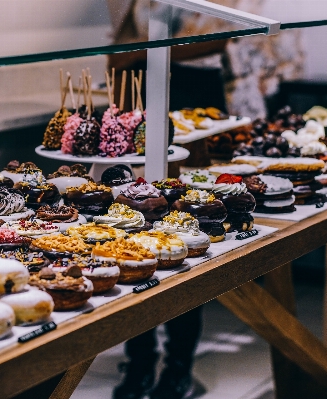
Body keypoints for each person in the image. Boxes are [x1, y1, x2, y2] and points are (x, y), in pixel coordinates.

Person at [106, 2, 229, 399]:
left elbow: (222, 35)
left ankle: (178, 365)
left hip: (193, 90)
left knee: (183, 236)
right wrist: (133, 57)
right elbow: (117, 49)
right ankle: (139, 360)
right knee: (135, 235)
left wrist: (144, 51)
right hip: (138, 93)